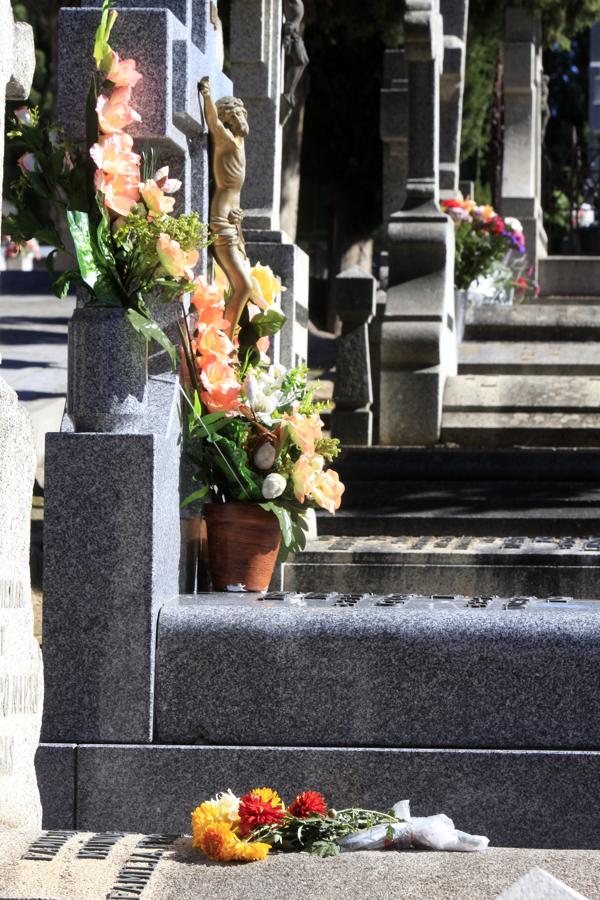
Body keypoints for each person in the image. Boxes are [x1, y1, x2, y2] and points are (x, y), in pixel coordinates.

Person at [198, 76, 253, 333]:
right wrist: (207, 95)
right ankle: (225, 342)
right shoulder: (226, 140)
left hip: (233, 219)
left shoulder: (240, 143)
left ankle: (225, 338)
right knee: (244, 286)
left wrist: (239, 214)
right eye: (236, 114)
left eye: (242, 113)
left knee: (243, 285)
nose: (241, 118)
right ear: (228, 120)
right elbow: (213, 122)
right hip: (221, 219)